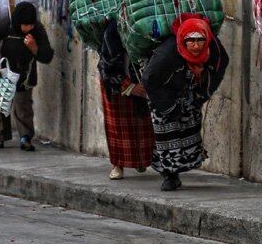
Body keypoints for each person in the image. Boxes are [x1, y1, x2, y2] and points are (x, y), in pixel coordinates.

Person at [142, 14, 229, 191]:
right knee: (166, 136)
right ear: (182, 40)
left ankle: (186, 164)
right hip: (163, 96)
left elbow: (218, 71)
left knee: (190, 131)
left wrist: (201, 96)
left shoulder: (216, 52)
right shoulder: (166, 55)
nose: (196, 46)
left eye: (200, 40)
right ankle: (169, 175)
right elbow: (150, 80)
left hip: (190, 93)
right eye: (191, 41)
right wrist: (169, 108)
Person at [0, 1, 54, 151]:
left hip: (25, 75)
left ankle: (25, 138)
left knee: (23, 107)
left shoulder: (37, 30)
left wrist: (34, 48)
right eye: (25, 25)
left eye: (31, 25)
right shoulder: (4, 26)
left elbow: (47, 56)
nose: (28, 28)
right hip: (2, 71)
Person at [98, 18, 154, 180]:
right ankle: (117, 165)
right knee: (118, 127)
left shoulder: (146, 30)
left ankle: (141, 160)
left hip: (140, 79)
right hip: (115, 84)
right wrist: (128, 87)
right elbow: (107, 67)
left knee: (143, 122)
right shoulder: (112, 34)